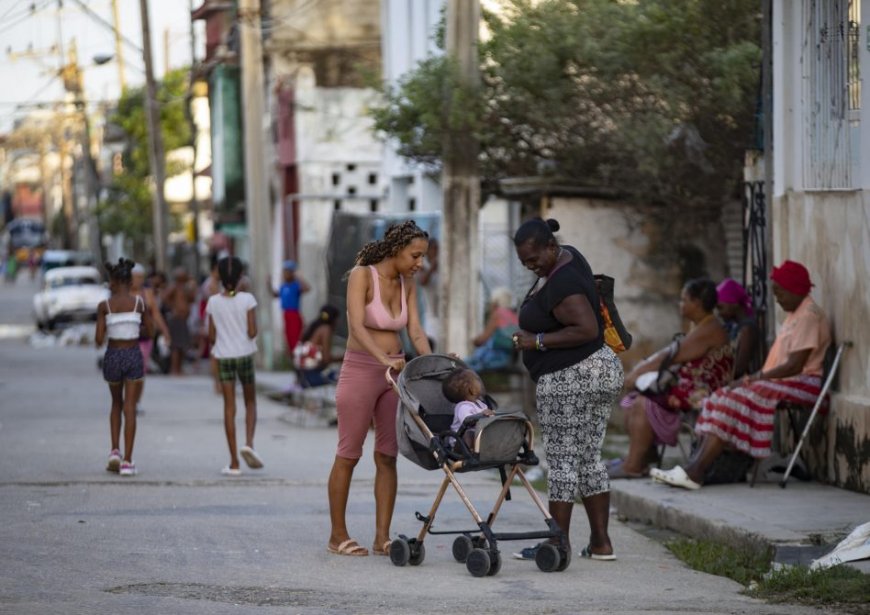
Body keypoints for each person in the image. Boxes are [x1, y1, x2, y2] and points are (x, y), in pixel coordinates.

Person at [651, 260, 831, 490]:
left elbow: (794, 366)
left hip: (802, 382)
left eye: (780, 293)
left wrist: (754, 378)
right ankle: (693, 467)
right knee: (721, 395)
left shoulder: (809, 315)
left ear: (794, 289)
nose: (777, 298)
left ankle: (696, 472)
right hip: (783, 380)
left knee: (732, 398)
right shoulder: (795, 313)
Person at [509, 217, 624, 562]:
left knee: (561, 461)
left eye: (534, 259)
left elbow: (587, 328)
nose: (531, 266)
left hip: (571, 377)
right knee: (589, 457)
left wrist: (536, 341)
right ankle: (601, 544)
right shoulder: (569, 257)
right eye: (525, 262)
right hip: (600, 371)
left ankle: (556, 544)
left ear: (550, 246)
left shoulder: (563, 282)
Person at [327, 220, 432, 557]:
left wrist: (433, 365)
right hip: (362, 369)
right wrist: (382, 360)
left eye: (422, 257)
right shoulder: (362, 274)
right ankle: (337, 536)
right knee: (349, 454)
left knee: (387, 455)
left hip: (395, 373)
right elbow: (356, 326)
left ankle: (381, 537)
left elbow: (415, 330)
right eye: (415, 255)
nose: (420, 263)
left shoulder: (407, 282)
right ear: (396, 250)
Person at [609, 278, 734, 479]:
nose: (680, 304)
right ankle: (640, 459)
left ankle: (633, 465)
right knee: (633, 399)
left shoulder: (709, 329)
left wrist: (636, 373)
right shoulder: (701, 326)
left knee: (642, 402)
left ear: (697, 303)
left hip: (702, 393)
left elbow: (670, 356)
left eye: (684, 300)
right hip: (691, 387)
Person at [206, 256, 264, 476]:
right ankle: (249, 443)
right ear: (241, 276)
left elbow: (211, 336)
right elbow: (252, 332)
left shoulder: (213, 302)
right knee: (250, 402)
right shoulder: (247, 299)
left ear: (219, 277)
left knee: (229, 408)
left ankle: (234, 463)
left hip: (224, 357)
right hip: (245, 356)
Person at [95, 258, 153, 477]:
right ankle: (128, 461)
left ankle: (114, 451)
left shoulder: (105, 306)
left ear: (112, 283)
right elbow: (151, 330)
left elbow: (99, 339)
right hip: (133, 355)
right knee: (131, 407)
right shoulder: (139, 304)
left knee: (116, 404)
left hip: (113, 355)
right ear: (130, 282)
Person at [131, 263, 171, 414]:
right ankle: (129, 399)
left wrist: (165, 332)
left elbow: (156, 314)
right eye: (136, 277)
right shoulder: (123, 294)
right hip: (127, 338)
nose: (138, 280)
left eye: (141, 277)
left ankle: (137, 401)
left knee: (140, 371)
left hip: (144, 338)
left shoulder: (146, 294)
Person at [465, 286, 519, 371]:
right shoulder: (514, 315)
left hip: (495, 359)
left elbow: (481, 340)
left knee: (462, 364)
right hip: (511, 360)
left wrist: (473, 341)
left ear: (496, 302)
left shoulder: (497, 314)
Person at [716, 278, 760, 379]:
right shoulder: (731, 325)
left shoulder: (747, 329)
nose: (719, 313)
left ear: (734, 304)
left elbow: (740, 368)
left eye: (721, 307)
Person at [442, 367, 495, 450]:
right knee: (469, 432)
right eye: (477, 380)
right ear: (472, 390)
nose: (480, 382)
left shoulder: (480, 404)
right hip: (461, 444)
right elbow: (468, 420)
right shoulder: (463, 407)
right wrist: (482, 415)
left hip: (478, 440)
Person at [270, 260, 311, 360]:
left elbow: (307, 288)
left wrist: (298, 277)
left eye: (287, 271)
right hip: (286, 315)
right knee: (289, 342)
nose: (284, 274)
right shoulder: (283, 286)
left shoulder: (295, 285)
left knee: (296, 341)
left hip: (294, 315)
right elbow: (275, 295)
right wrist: (269, 284)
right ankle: (295, 363)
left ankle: (299, 362)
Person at [295, 304, 341, 388]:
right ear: (333, 319)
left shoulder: (313, 327)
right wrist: (343, 358)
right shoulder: (326, 329)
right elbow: (326, 359)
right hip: (311, 376)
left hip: (301, 375)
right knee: (343, 377)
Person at [162, 267, 196, 375]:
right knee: (176, 346)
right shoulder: (174, 287)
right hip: (176, 319)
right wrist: (173, 308)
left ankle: (179, 368)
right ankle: (174, 369)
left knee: (182, 346)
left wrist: (191, 286)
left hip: (183, 319)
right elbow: (164, 297)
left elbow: (192, 299)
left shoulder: (185, 288)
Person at [198, 259, 223, 393]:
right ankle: (217, 383)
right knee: (215, 353)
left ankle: (219, 383)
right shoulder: (211, 284)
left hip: (217, 319)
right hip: (214, 319)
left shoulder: (217, 283)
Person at [418, 238, 439, 348]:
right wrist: (432, 268)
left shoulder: (442, 265)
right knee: (431, 342)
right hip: (430, 312)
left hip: (441, 310)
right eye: (433, 249)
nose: (436, 252)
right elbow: (423, 281)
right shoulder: (423, 265)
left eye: (437, 249)